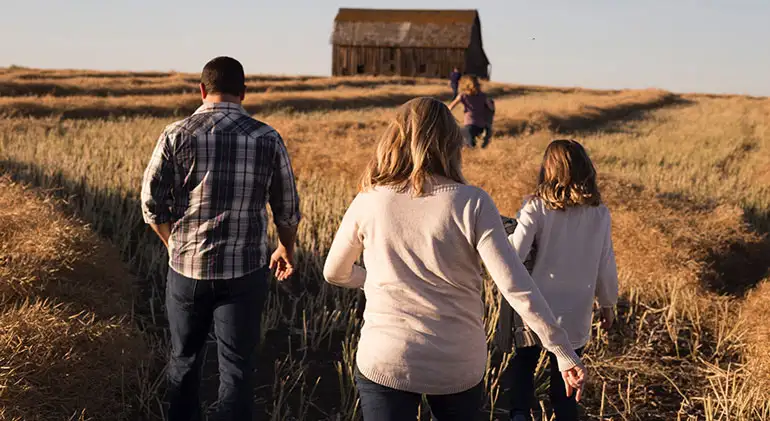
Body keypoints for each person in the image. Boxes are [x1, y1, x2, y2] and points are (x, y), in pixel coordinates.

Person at [322, 97, 586, 421]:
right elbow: (515, 286)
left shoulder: (370, 199)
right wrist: (561, 350)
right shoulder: (472, 203)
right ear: (451, 142)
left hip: (387, 358)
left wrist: (374, 281)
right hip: (457, 364)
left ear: (395, 139)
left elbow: (334, 272)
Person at [140, 56, 301, 421]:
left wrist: (174, 245)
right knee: (238, 367)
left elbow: (151, 205)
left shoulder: (176, 134)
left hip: (187, 270)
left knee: (184, 361)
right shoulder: (267, 137)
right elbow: (287, 209)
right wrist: (285, 248)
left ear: (202, 89)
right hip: (245, 272)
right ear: (244, 92)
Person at [501, 139, 619, 421]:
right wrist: (608, 303)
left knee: (524, 365)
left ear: (548, 169)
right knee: (565, 381)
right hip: (577, 308)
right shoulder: (599, 213)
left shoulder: (536, 207)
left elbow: (515, 254)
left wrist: (506, 232)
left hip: (537, 306)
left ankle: (519, 415)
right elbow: (605, 262)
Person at [448, 75, 495, 148]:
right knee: (473, 144)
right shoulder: (483, 95)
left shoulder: (463, 96)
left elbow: (450, 107)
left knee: (465, 142)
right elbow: (491, 108)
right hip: (481, 125)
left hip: (469, 124)